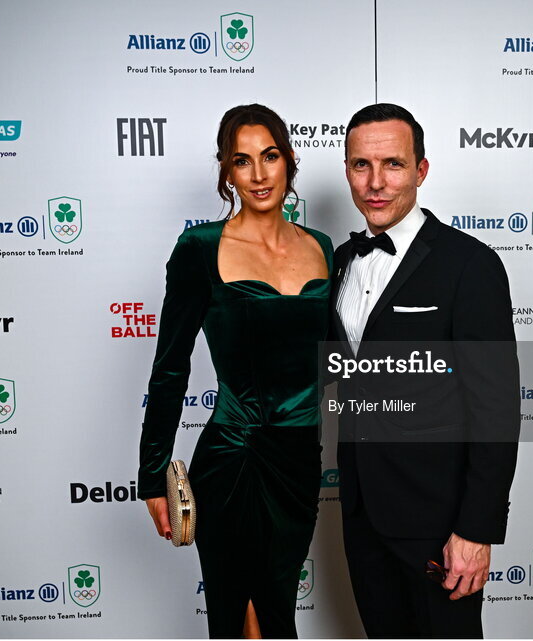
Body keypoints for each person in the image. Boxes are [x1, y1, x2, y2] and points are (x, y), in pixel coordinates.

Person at [138, 104, 332, 639]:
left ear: (289, 161)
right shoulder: (199, 248)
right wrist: (152, 473)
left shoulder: (322, 248)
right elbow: (170, 368)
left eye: (269, 156)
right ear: (226, 171)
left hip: (298, 463)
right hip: (233, 457)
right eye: (241, 161)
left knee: (277, 614)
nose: (259, 174)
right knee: (235, 615)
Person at [329, 103, 520, 638]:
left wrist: (475, 531)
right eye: (361, 165)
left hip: (441, 526)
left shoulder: (470, 265)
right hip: (363, 515)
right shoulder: (340, 261)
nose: (375, 182)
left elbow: (496, 408)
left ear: (421, 170)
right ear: (346, 170)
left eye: (392, 164)